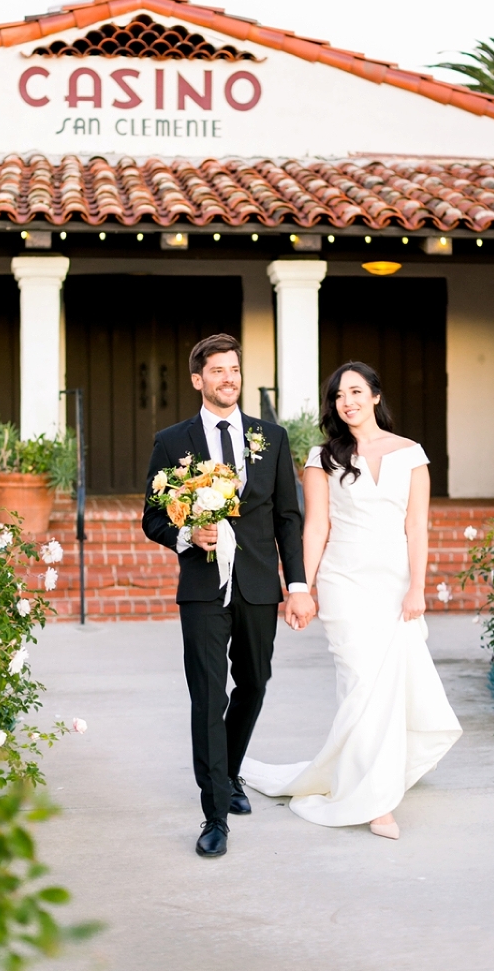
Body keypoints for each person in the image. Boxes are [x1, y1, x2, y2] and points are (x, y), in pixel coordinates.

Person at [242, 361, 462, 838]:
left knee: (388, 686)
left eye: (357, 391)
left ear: (376, 396)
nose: (349, 401)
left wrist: (417, 587)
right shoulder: (324, 456)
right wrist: (301, 587)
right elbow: (315, 525)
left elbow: (417, 527)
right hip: (344, 581)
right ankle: (375, 800)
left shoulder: (411, 454)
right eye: (340, 395)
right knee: (362, 683)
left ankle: (373, 775)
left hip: (394, 581)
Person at [142, 334, 316, 859]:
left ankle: (231, 770)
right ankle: (214, 812)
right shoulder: (173, 441)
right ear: (198, 379)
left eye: (234, 369)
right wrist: (186, 535)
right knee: (208, 697)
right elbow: (151, 516)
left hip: (259, 584)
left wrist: (299, 585)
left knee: (255, 683)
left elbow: (288, 516)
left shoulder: (273, 437)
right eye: (216, 371)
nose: (228, 379)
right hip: (201, 587)